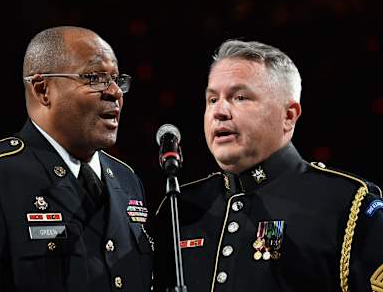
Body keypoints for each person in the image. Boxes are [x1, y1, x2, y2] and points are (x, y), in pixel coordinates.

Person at [0, 26, 153, 292]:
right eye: (95, 78)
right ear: (43, 90)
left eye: (117, 80)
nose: (115, 92)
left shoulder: (127, 181)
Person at [152, 39, 383, 292]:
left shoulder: (346, 204)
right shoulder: (180, 208)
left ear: (289, 116)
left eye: (240, 97)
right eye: (212, 99)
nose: (219, 111)